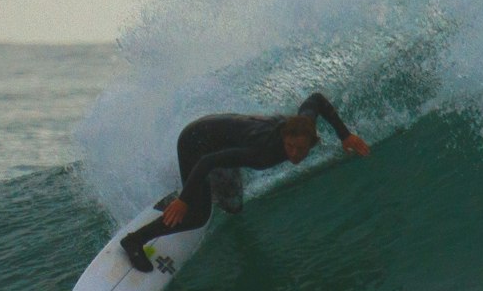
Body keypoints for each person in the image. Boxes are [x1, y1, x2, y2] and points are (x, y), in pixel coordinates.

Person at [121, 92, 370, 272]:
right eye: (290, 147)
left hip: (224, 135)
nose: (294, 153)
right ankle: (134, 240)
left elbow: (316, 100)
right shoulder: (262, 153)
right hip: (195, 142)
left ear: (311, 141)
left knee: (233, 205)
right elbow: (208, 161)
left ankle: (194, 189)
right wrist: (185, 201)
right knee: (198, 215)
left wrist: (345, 135)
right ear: (284, 138)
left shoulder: (304, 124)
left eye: (300, 149)